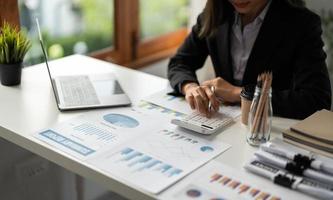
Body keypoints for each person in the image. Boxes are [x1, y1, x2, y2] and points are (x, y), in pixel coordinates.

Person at [168, 0, 332, 119]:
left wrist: (238, 93)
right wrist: (190, 87)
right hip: (224, 126)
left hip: (272, 129)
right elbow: (179, 62)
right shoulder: (215, 12)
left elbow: (317, 100)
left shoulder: (301, 23)